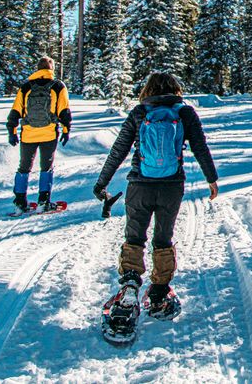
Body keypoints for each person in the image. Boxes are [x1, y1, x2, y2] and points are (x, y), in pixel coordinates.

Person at [93, 72, 219, 319]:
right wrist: (211, 179)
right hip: (171, 187)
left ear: (148, 90)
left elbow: (118, 150)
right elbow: (200, 147)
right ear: (175, 89)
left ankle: (130, 285)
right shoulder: (185, 113)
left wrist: (102, 183)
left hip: (140, 185)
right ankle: (160, 293)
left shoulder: (140, 112)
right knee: (163, 237)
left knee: (134, 236)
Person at [6, 56, 72, 213]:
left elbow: (16, 110)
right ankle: (43, 202)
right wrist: (66, 130)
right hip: (49, 134)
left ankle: (20, 203)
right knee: (46, 167)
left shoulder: (26, 87)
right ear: (52, 69)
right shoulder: (58, 86)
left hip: (28, 134)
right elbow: (64, 111)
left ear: (37, 68)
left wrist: (12, 131)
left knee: (23, 168)